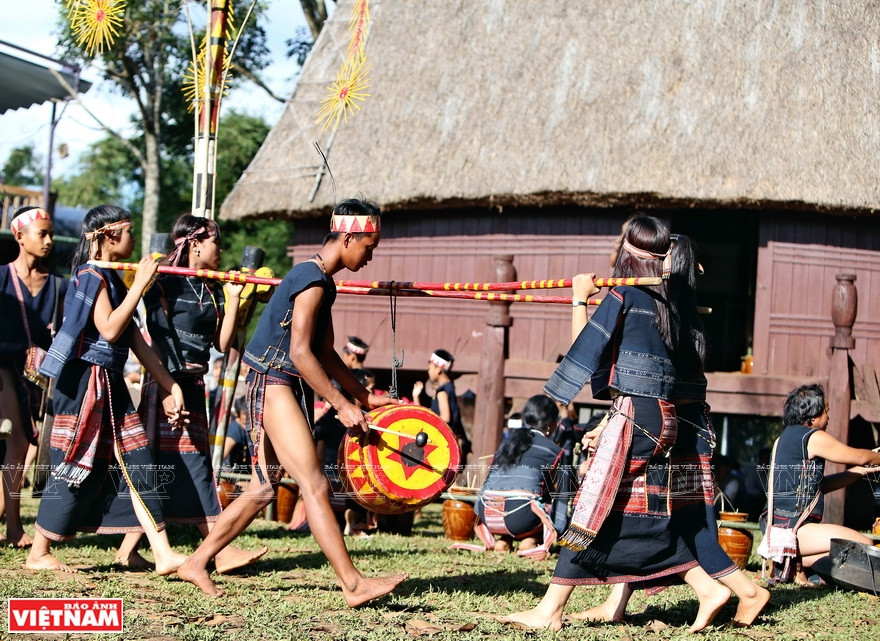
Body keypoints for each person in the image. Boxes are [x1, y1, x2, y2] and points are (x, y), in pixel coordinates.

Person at [502, 215, 730, 632]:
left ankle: (549, 611)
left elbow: (586, 353)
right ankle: (706, 586)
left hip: (635, 417)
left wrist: (580, 298)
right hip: (662, 417)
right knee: (626, 510)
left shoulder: (624, 295)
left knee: (592, 504)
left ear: (628, 254)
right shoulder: (670, 304)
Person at [177, 198, 407, 604]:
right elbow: (301, 353)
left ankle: (196, 562)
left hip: (279, 383)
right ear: (349, 236)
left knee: (265, 488)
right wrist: (340, 403)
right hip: (274, 382)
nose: (372, 255)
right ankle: (353, 584)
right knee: (314, 484)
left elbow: (326, 351)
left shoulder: (322, 280)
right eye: (369, 245)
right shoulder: (312, 280)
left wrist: (363, 395)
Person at [565, 235, 769, 627]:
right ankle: (616, 604)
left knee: (673, 519)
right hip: (681, 423)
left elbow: (606, 364)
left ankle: (746, 590)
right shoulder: (678, 309)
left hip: (673, 427)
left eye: (661, 255)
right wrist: (610, 420)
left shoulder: (654, 306)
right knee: (652, 511)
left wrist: (581, 301)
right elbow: (650, 381)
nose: (652, 260)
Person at [25, 204, 188, 574]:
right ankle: (38, 552)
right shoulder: (90, 277)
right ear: (109, 236)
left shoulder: (113, 278)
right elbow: (111, 329)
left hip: (108, 381)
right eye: (129, 232)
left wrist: (169, 385)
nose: (134, 240)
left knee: (138, 458)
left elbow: (136, 341)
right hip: (84, 383)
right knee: (74, 462)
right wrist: (141, 285)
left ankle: (162, 552)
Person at [114, 213, 266, 572]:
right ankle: (221, 551)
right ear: (195, 244)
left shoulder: (210, 287)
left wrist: (232, 300)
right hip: (166, 384)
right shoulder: (163, 281)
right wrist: (167, 388)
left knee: (170, 466)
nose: (222, 249)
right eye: (216, 242)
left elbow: (222, 343)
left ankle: (127, 550)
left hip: (195, 385)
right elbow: (155, 333)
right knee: (187, 466)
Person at [759, 383, 880, 584]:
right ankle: (794, 562)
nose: (828, 417)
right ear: (813, 417)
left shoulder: (785, 438)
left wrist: (859, 472)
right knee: (865, 545)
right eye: (826, 411)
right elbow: (859, 456)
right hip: (792, 531)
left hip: (777, 527)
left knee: (846, 551)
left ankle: (794, 563)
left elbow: (820, 487)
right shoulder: (812, 437)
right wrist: (873, 459)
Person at [0, 206, 66, 548]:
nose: (49, 241)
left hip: (35, 378)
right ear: (19, 236)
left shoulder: (58, 286)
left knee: (20, 445)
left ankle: (12, 527)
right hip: (2, 371)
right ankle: (13, 528)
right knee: (16, 444)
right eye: (42, 233)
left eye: (51, 234)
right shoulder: (0, 277)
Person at [467, 394, 568, 558]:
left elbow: (486, 484)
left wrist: (480, 511)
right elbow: (562, 496)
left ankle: (504, 540)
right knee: (546, 501)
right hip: (521, 518)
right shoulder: (555, 451)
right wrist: (559, 531)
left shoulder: (506, 444)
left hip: (489, 515)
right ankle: (531, 539)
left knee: (520, 501)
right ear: (551, 424)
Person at [412, 349, 472, 460]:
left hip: (443, 444)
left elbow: (445, 417)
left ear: (439, 369)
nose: (428, 371)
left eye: (430, 368)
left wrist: (416, 397)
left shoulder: (442, 391)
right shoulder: (449, 386)